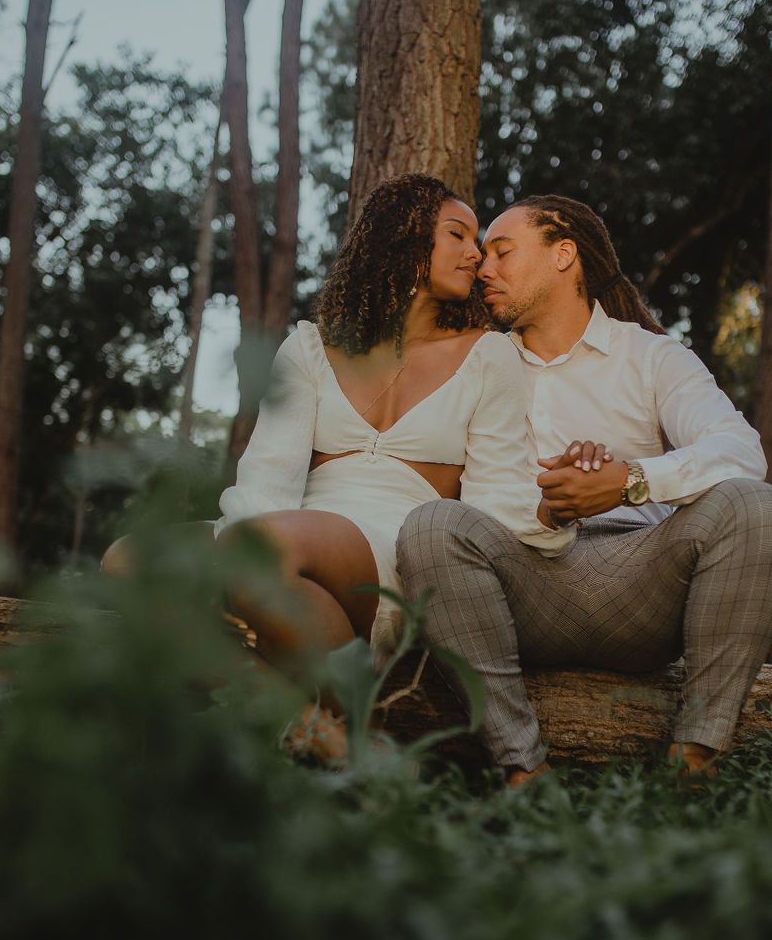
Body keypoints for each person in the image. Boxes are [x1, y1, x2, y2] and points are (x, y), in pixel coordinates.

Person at [395, 194, 772, 786]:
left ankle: (695, 760)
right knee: (431, 525)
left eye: (503, 252)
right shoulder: (476, 363)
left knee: (758, 505)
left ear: (564, 255)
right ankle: (522, 767)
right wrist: (550, 509)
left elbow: (740, 451)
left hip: (644, 587)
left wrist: (629, 482)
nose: (484, 268)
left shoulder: (653, 357)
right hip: (524, 586)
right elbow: (459, 493)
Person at [204, 174, 574, 681]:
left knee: (260, 552)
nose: (477, 257)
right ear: (404, 234)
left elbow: (493, 496)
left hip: (390, 551)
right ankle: (325, 719)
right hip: (294, 537)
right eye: (458, 235)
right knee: (127, 560)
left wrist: (551, 512)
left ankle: (333, 713)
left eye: (482, 244)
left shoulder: (488, 355)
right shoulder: (311, 349)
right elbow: (269, 476)